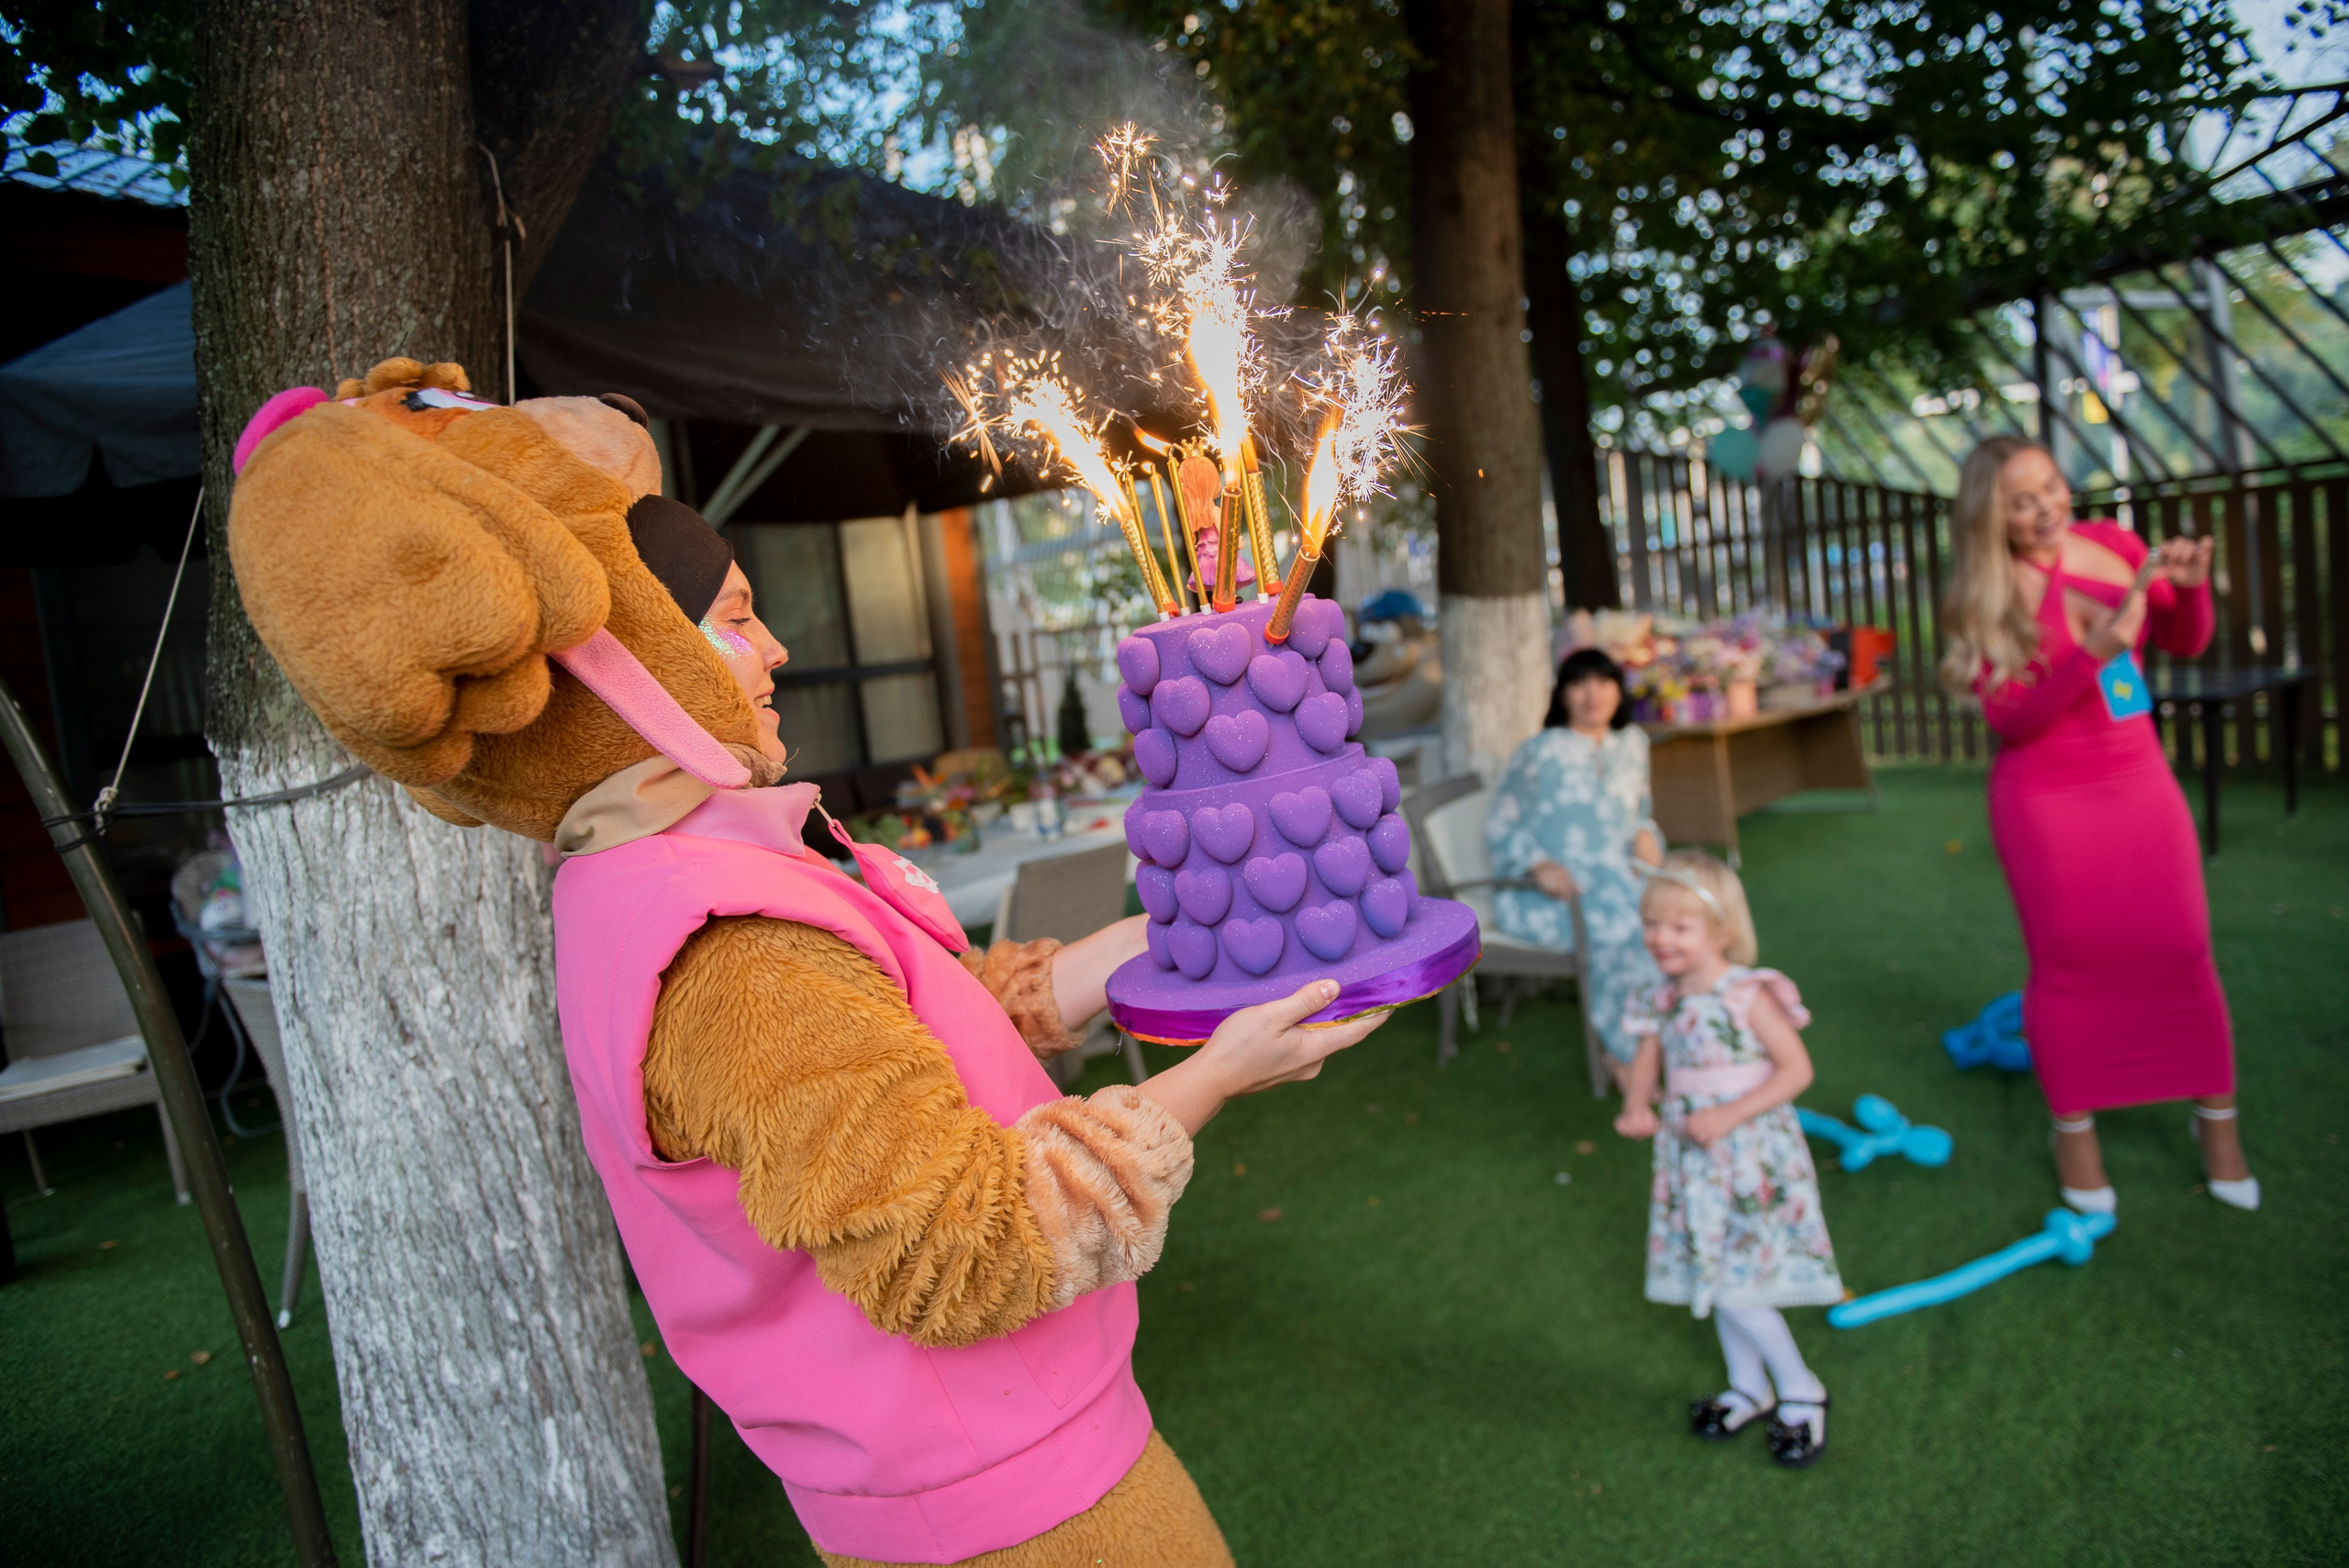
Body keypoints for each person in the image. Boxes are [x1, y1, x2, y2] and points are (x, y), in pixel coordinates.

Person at [1940, 436, 2255, 1214]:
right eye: (2022, 499)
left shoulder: (2117, 545)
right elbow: (2011, 718)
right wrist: (2095, 653)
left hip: (2138, 778)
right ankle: (2073, 1134)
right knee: (2071, 963)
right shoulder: (1984, 593)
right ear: (1992, 515)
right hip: (2048, 795)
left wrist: (2193, 587)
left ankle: (2217, 1128)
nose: (2046, 506)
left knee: (2182, 947)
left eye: (2051, 486)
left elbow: (2184, 639)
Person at [1614, 851, 1842, 1469]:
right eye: (1652, 923)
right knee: (1710, 1274)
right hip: (1691, 1159)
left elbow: (1797, 1069)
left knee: (1737, 1284)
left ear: (1720, 930)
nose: (1660, 937)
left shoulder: (1747, 993)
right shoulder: (1658, 996)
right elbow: (1646, 1058)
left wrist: (1728, 1114)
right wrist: (1637, 1102)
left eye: (1679, 926)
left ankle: (1801, 1388)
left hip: (1748, 1158)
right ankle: (1750, 1386)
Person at [1486, 649, 1665, 1075]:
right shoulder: (1540, 751)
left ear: (1618, 692)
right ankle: (1627, 1057)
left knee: (1675, 926)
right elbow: (1501, 824)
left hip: (1624, 877)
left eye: (1603, 682)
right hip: (1555, 891)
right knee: (1628, 934)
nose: (1592, 694)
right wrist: (1539, 864)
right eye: (1579, 683)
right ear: (1562, 694)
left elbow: (1639, 809)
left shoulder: (1634, 744)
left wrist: (1646, 832)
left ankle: (1682, 1044)